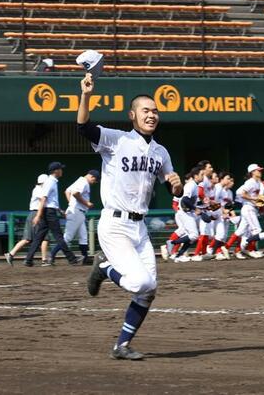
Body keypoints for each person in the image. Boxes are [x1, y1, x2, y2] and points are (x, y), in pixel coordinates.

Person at [79, 72, 183, 360]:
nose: (151, 115)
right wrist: (86, 95)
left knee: (149, 291)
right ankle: (104, 268)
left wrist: (178, 185)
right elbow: (85, 127)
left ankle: (121, 346)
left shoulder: (161, 152)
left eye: (155, 111)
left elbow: (174, 190)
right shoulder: (117, 139)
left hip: (140, 229)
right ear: (132, 115)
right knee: (141, 283)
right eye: (145, 110)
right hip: (114, 225)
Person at [25, 162, 81, 266]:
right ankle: (72, 259)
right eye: (60, 169)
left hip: (49, 211)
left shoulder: (52, 181)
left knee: (39, 236)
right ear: (56, 171)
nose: (61, 170)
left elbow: (50, 200)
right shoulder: (50, 182)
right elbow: (44, 198)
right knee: (59, 236)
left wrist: (59, 210)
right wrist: (38, 215)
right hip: (49, 212)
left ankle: (28, 259)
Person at [49, 169, 99, 264]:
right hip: (76, 212)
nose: (94, 182)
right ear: (92, 176)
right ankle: (52, 255)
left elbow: (67, 191)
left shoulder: (80, 180)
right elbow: (75, 193)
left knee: (83, 236)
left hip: (77, 211)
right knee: (68, 237)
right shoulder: (84, 182)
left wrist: (71, 204)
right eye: (94, 180)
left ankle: (85, 258)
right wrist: (86, 203)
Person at [4, 174, 50, 265]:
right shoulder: (39, 189)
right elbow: (43, 201)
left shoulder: (39, 189)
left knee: (28, 239)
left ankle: (11, 254)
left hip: (35, 214)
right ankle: (44, 260)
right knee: (44, 238)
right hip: (37, 214)